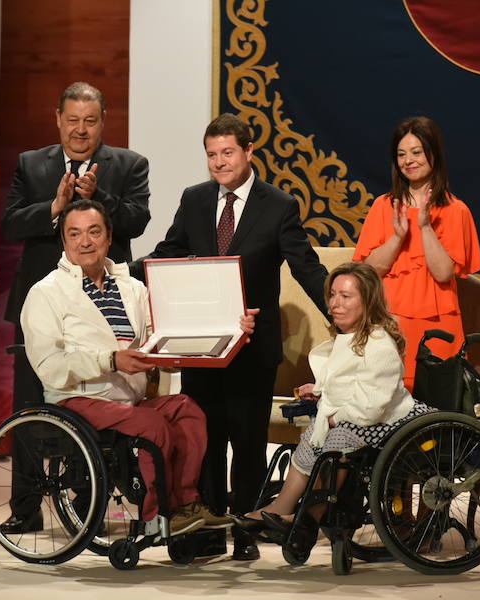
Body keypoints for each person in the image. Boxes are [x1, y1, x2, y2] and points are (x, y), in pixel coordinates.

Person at [135, 113, 328, 560]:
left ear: (248, 153)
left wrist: (342, 310)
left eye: (227, 153)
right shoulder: (195, 199)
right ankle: (204, 531)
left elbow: (305, 265)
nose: (219, 163)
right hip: (202, 348)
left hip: (252, 350)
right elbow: (168, 254)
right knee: (203, 441)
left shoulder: (278, 205)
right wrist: (121, 274)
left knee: (246, 445)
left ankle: (245, 531)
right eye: (211, 155)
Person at [19, 199, 255, 535]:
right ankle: (159, 513)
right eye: (75, 234)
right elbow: (49, 365)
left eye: (93, 231)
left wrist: (232, 328)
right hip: (76, 398)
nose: (85, 241)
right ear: (64, 241)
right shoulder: (46, 293)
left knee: (188, 410)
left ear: (109, 236)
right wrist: (111, 359)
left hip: (128, 398)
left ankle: (187, 503)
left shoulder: (133, 288)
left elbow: (165, 337)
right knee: (151, 423)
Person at [0, 82, 150, 533]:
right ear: (57, 120)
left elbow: (137, 221)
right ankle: (25, 508)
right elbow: (9, 223)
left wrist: (99, 197)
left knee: (98, 402)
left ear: (102, 122)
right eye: (72, 121)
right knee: (30, 408)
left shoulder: (128, 164)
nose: (79, 130)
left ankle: (91, 506)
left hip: (103, 309)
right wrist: (55, 206)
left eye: (89, 121)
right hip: (42, 306)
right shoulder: (32, 164)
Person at [234, 262, 435, 550]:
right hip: (359, 417)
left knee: (336, 439)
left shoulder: (379, 345)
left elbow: (373, 404)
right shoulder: (349, 337)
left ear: (367, 302)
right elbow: (348, 381)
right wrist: (319, 392)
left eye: (346, 296)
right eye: (333, 295)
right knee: (310, 439)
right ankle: (282, 507)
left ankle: (308, 518)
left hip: (388, 420)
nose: (335, 304)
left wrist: (333, 416)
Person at [353, 116, 480, 391]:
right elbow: (369, 271)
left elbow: (443, 272)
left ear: (433, 154)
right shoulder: (383, 206)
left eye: (416, 152)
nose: (408, 160)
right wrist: (398, 237)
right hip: (389, 323)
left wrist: (424, 227)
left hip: (437, 329)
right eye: (401, 154)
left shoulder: (456, 211)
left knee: (434, 409)